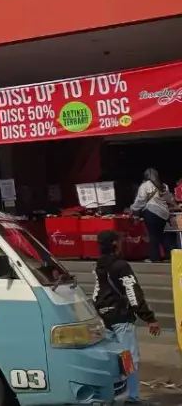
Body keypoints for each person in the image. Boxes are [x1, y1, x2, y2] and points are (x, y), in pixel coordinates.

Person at [93, 230, 160, 404]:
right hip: (121, 318)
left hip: (104, 317)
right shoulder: (121, 266)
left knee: (112, 358)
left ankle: (114, 395)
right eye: (119, 241)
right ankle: (131, 397)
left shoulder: (99, 265)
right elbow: (132, 292)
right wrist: (149, 317)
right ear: (115, 243)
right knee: (130, 358)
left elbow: (96, 293)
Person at [131, 168, 176, 262]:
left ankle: (155, 258)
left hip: (151, 212)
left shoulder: (145, 186)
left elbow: (141, 200)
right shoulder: (163, 186)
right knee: (163, 235)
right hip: (164, 213)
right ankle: (171, 256)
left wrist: (133, 208)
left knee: (153, 235)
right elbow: (169, 199)